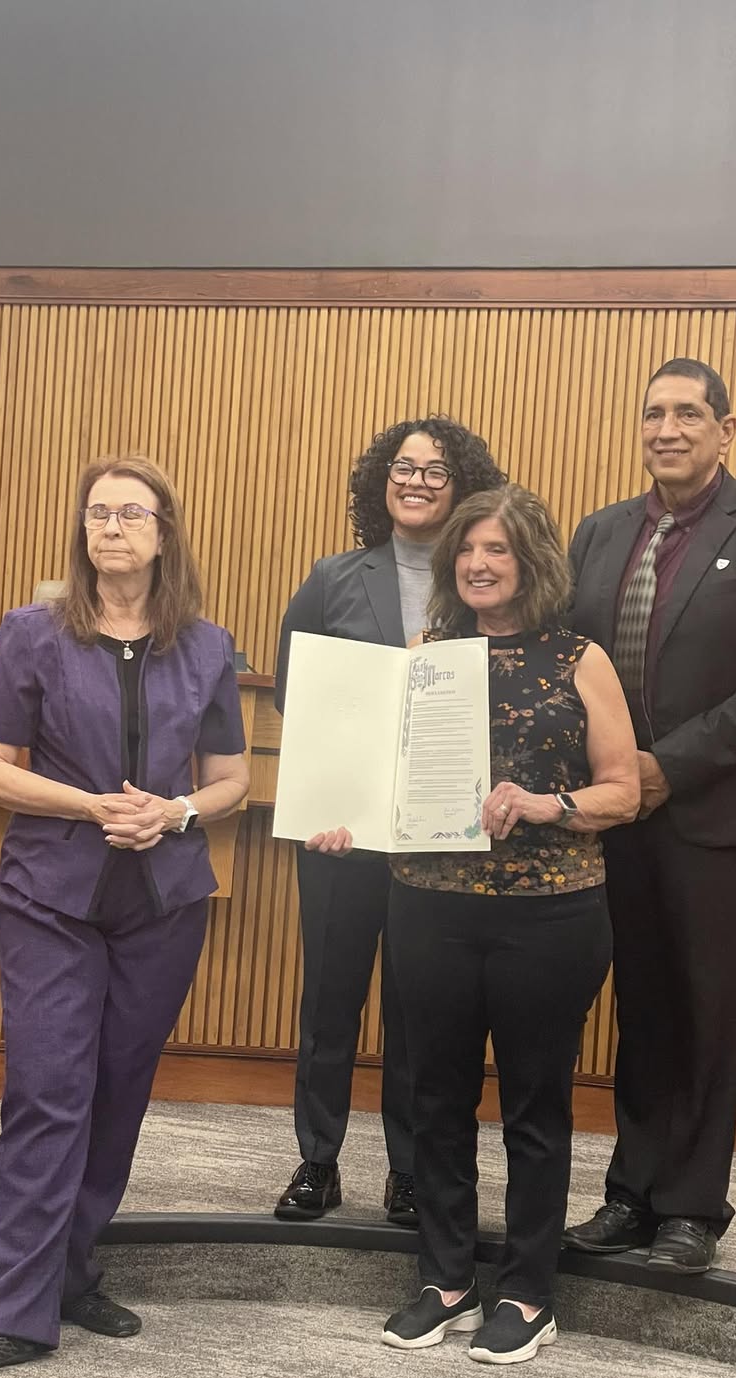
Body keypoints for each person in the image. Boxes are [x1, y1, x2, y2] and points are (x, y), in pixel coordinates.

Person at [0, 455, 249, 1378]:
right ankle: (12, 1314)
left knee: (117, 1090)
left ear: (164, 533)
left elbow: (231, 779)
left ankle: (70, 1273)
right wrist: (93, 805)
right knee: (47, 1089)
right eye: (98, 512)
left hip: (164, 902)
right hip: (51, 896)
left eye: (131, 513)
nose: (111, 526)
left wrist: (173, 813)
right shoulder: (32, 633)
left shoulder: (208, 646)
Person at [313, 485, 639, 1364]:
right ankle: (446, 1280)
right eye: (466, 549)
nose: (478, 564)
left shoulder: (579, 658)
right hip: (429, 908)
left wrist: (544, 803)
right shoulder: (426, 656)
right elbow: (378, 775)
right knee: (436, 1099)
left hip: (550, 915)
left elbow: (625, 791)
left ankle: (529, 1293)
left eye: (497, 549)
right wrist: (343, 816)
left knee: (535, 1104)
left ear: (533, 562)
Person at [562, 358, 736, 1273]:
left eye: (686, 414)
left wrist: (663, 768)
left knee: (708, 1011)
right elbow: (567, 659)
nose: (666, 429)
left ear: (724, 431)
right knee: (640, 1008)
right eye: (653, 414)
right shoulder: (599, 533)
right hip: (619, 817)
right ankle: (631, 1193)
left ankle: (692, 1208)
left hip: (722, 817)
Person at [273, 417, 507, 1225]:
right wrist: (325, 795)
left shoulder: (480, 583)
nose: (416, 481)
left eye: (436, 471)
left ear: (462, 486)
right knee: (329, 999)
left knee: (419, 1010)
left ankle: (410, 1169)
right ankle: (318, 1160)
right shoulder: (333, 577)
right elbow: (296, 691)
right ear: (382, 479)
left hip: (437, 837)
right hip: (339, 833)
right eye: (404, 467)